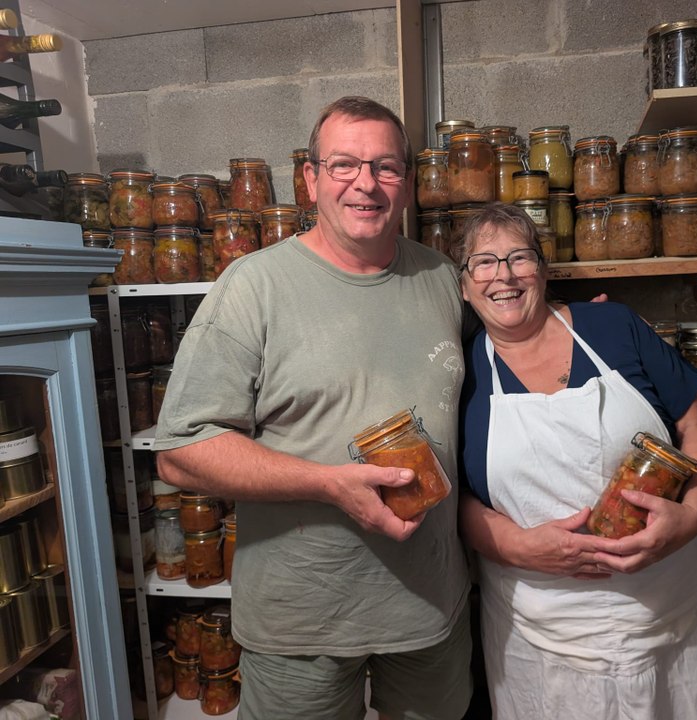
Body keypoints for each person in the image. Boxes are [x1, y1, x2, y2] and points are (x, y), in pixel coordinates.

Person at [153, 96, 472, 720]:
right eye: (344, 165)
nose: (366, 183)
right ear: (311, 179)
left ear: (406, 181)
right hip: (302, 621)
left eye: (385, 167)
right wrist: (329, 485)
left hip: (430, 608)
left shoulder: (440, 278)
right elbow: (182, 453)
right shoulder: (252, 286)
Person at [455, 202, 697, 719]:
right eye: (485, 263)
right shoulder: (463, 369)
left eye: (520, 257)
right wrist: (518, 546)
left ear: (543, 269)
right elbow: (459, 498)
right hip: (539, 634)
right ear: (466, 285)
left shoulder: (613, 326)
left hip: (666, 613)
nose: (505, 275)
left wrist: (692, 516)